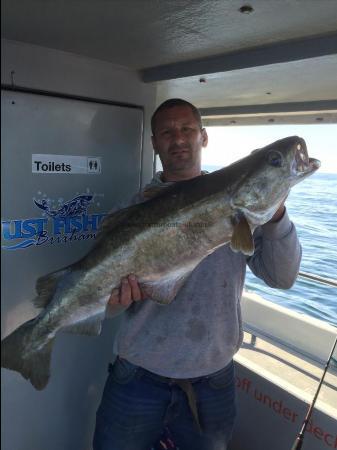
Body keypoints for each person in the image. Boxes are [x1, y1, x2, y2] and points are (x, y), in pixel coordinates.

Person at [93, 99, 302, 450]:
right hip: (136, 376)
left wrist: (277, 214)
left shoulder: (243, 210)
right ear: (155, 143)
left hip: (213, 381)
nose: (179, 139)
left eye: (187, 129)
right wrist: (115, 299)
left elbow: (282, 278)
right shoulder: (131, 211)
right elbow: (112, 307)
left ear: (203, 137)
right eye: (167, 132)